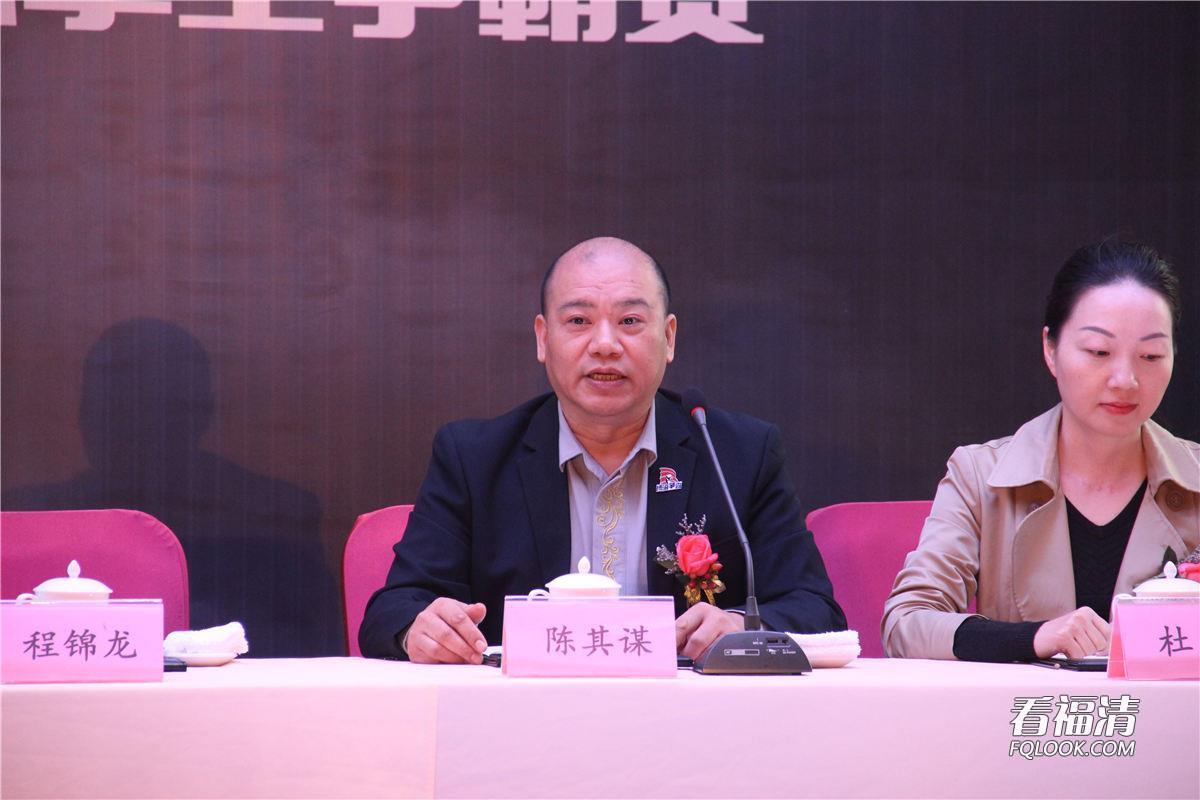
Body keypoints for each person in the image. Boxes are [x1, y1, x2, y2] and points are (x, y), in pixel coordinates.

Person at [360, 236, 845, 662]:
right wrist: (420, 629)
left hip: (691, 719)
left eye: (630, 320)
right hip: (524, 718)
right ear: (543, 338)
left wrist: (741, 625)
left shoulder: (738, 455)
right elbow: (393, 609)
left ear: (668, 338)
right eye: (579, 320)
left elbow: (816, 609)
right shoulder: (475, 459)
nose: (606, 344)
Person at [882, 239, 1198, 662]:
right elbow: (906, 624)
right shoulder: (981, 476)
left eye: (1151, 355)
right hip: (1023, 707)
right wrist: (1034, 638)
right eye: (1099, 352)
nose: (1125, 379)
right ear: (1051, 349)